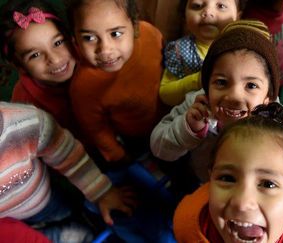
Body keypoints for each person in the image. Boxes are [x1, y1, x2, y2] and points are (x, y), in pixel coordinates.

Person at [151, 20, 283, 186]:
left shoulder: (280, 121)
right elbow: (158, 147)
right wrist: (188, 129)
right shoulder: (197, 108)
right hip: (204, 184)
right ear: (207, 86)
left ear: (269, 96)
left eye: (251, 85)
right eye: (221, 82)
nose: (234, 96)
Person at [173, 103, 283, 242]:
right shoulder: (188, 220)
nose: (242, 203)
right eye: (227, 178)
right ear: (210, 178)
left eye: (268, 184)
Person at [0, 102, 135, 242]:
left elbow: (66, 154)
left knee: (77, 223)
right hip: (9, 229)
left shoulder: (23, 122)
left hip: (48, 201)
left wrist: (101, 191)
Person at [66, 0, 168, 165]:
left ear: (134, 27)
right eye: (89, 38)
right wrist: (118, 155)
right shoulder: (83, 86)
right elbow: (96, 130)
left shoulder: (149, 33)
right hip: (141, 139)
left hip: (178, 114)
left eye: (115, 34)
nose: (105, 50)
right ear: (75, 40)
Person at [0, 0, 80, 139]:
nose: (54, 59)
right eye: (35, 55)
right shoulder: (23, 103)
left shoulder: (93, 59)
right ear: (19, 65)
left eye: (58, 42)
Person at [160, 0, 247, 106]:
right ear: (185, 13)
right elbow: (165, 94)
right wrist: (196, 80)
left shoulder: (244, 49)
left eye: (221, 6)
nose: (207, 12)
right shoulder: (179, 50)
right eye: (197, 6)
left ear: (238, 16)